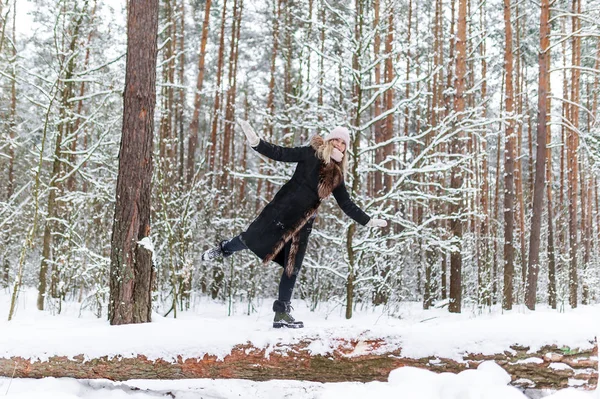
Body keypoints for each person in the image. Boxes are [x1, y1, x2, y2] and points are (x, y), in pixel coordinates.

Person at [202, 121, 387, 328]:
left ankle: (281, 313)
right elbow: (281, 153)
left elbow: (346, 204)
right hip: (282, 210)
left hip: (302, 224)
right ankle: (223, 249)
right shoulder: (311, 153)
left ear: (346, 148)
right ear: (328, 140)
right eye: (335, 139)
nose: (338, 144)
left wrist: (367, 220)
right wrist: (257, 143)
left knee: (293, 268)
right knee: (251, 239)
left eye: (343, 142)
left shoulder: (336, 176)